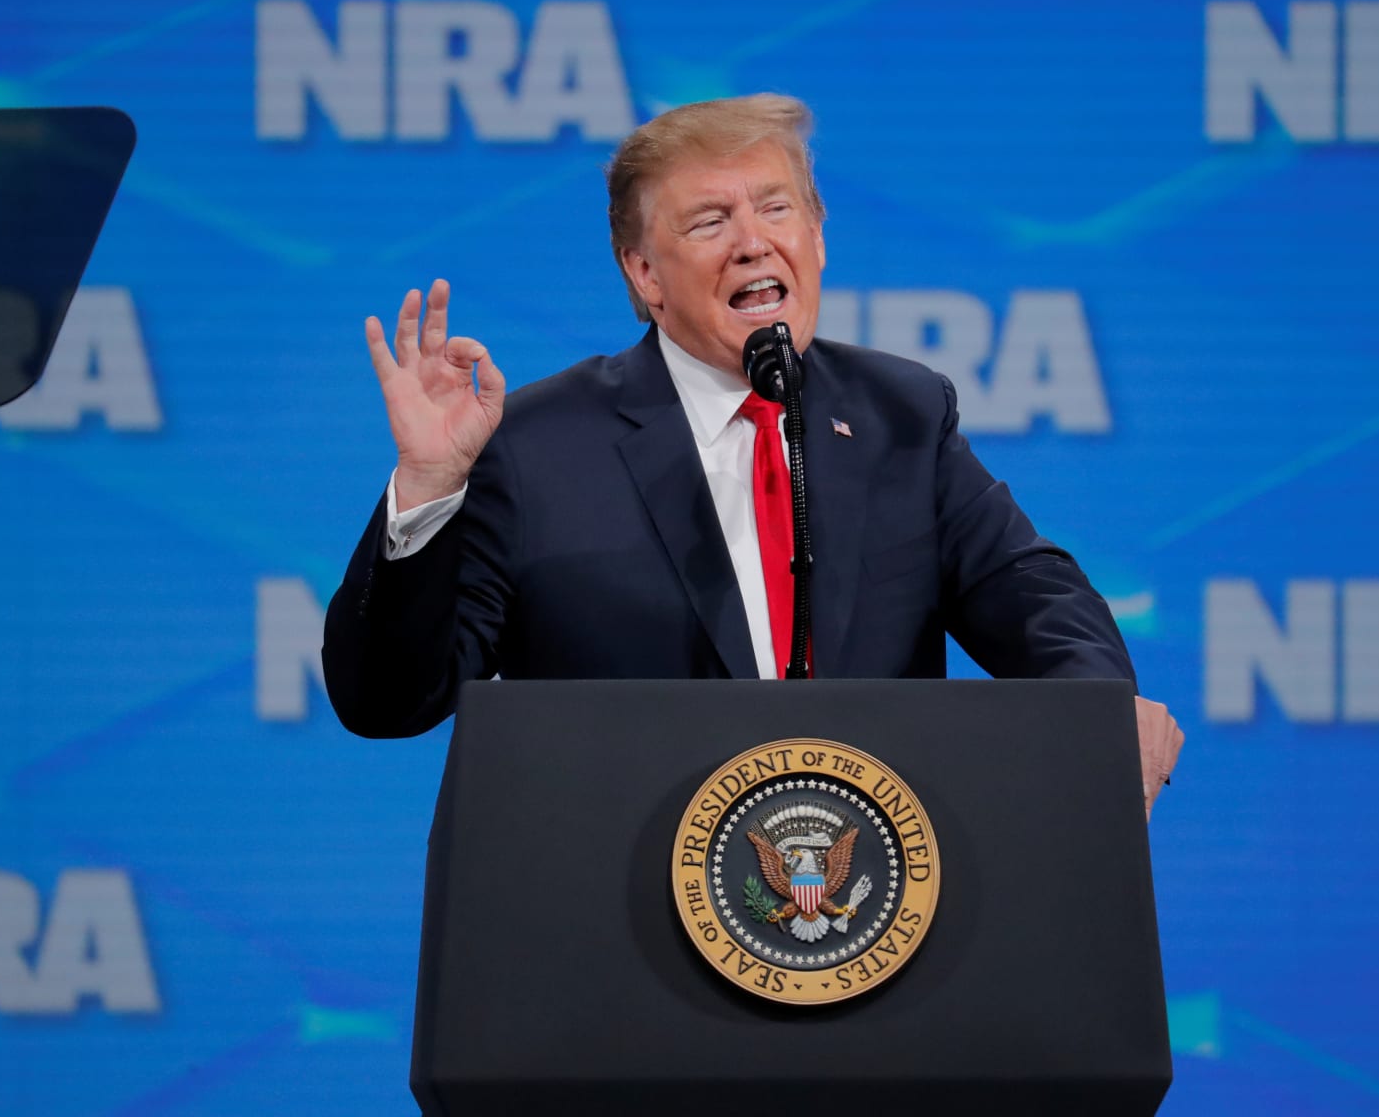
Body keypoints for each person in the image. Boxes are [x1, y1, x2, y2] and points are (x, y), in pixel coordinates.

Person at [322, 94, 1181, 813]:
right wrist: (431, 484)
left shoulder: (901, 415)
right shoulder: (538, 445)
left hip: (873, 923)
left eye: (777, 208)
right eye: (709, 221)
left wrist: (1097, 715)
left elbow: (1034, 595)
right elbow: (390, 702)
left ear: (817, 237)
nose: (752, 240)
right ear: (645, 274)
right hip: (616, 934)